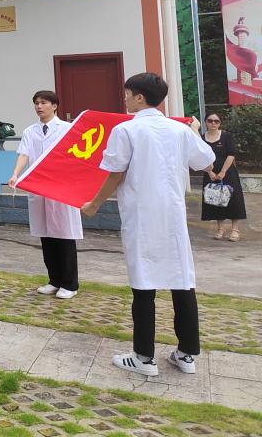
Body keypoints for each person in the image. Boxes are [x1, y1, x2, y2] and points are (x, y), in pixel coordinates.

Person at [83, 73, 215, 377]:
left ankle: (143, 357)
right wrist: (194, 131)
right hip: (172, 216)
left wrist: (95, 203)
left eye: (128, 94)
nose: (125, 98)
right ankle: (186, 354)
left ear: (140, 97)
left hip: (142, 216)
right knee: (182, 280)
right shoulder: (179, 130)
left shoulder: (126, 129)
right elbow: (205, 161)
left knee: (143, 282)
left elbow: (115, 172)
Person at [8, 90, 83, 299]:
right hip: (39, 189)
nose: (39, 107)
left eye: (43, 103)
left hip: (61, 188)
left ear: (55, 106)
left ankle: (70, 284)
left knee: (64, 236)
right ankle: (54, 280)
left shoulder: (67, 129)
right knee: (47, 236)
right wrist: (15, 174)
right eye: (36, 103)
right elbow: (24, 154)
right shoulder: (30, 131)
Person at [200, 113, 246, 241]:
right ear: (205, 122)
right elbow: (201, 157)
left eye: (216, 121)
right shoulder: (202, 138)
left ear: (220, 123)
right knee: (216, 200)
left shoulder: (226, 136)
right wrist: (210, 172)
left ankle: (235, 230)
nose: (213, 123)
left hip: (228, 172)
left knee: (233, 200)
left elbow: (231, 154)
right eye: (210, 121)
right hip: (210, 173)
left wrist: (223, 172)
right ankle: (220, 229)